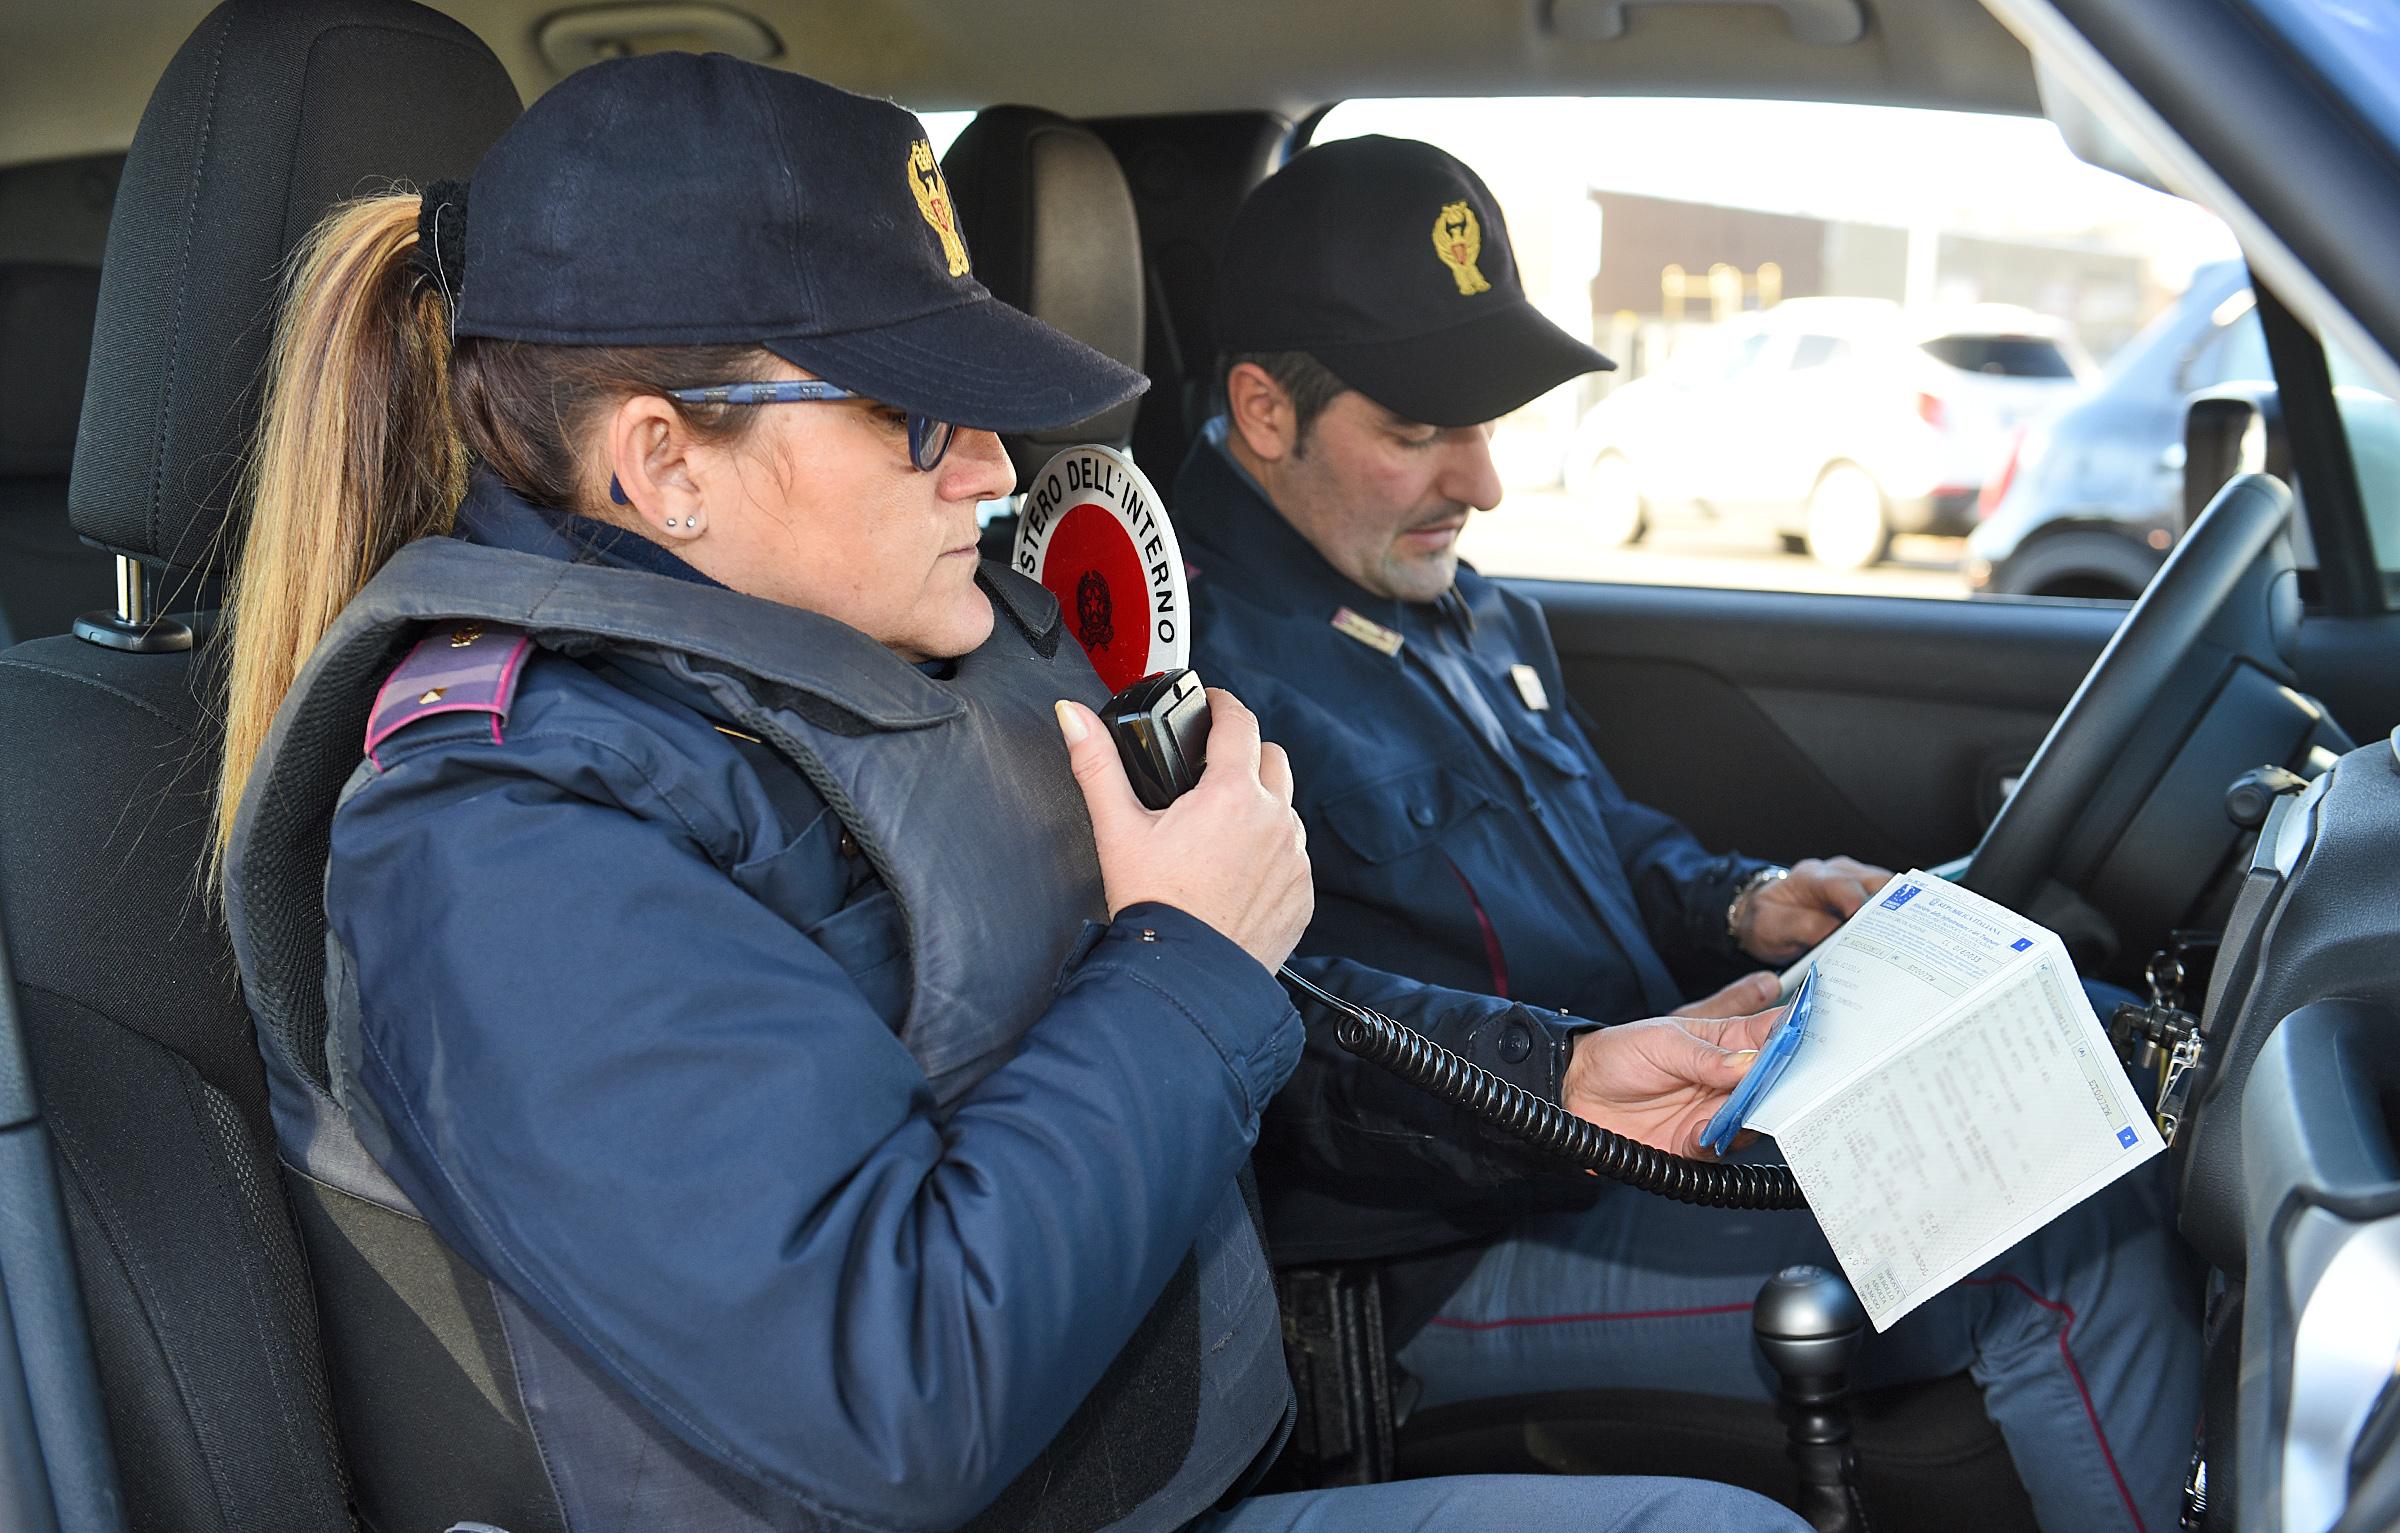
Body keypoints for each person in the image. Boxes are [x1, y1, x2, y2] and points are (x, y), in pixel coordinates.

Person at [212, 55, 1812, 1533]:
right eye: (914, 412)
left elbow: (1204, 1020)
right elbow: (885, 1389)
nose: (990, 464)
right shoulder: (499, 844)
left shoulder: (923, 665)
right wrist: (1184, 957)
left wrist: (1564, 1076)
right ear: (663, 464)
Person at [1178, 135, 2201, 1533]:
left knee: (2096, 1074)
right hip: (1446, 1249)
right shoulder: (1186, 681)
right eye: (1422, 432)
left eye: (1487, 424)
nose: (1481, 482)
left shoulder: (1458, 605)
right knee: (2065, 1239)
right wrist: (1572, 1078)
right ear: (1264, 410)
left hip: (1668, 1107)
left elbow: (1594, 834)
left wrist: (1742, 905)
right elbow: (1258, 1035)